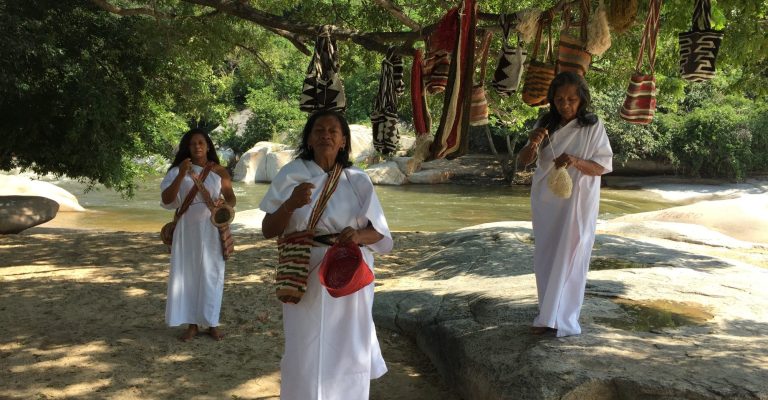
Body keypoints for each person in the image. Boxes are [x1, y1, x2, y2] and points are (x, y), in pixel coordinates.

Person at [260, 110, 393, 400]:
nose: (326, 135)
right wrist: (290, 204)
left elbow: (380, 234)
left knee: (349, 344)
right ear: (309, 139)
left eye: (333, 131)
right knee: (304, 344)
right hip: (303, 271)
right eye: (319, 130)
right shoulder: (291, 174)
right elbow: (268, 229)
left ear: (344, 140)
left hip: (349, 273)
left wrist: (358, 236)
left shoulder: (357, 180)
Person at [517, 71, 613, 337]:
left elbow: (602, 167)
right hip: (546, 200)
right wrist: (533, 143)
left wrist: (574, 161)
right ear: (552, 99)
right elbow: (524, 160)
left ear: (582, 99)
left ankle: (564, 319)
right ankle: (546, 315)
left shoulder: (592, 126)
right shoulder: (545, 122)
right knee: (547, 256)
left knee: (572, 255)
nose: (565, 105)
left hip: (577, 202)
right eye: (559, 99)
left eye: (571, 99)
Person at [160, 128, 236, 342]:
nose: (197, 146)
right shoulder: (177, 171)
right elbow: (167, 200)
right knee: (188, 275)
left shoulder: (220, 171)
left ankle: (212, 323)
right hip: (187, 229)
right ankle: (192, 325)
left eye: (201, 142)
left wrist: (224, 205)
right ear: (187, 147)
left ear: (208, 146)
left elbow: (231, 198)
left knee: (212, 274)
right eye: (193, 143)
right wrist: (181, 175)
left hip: (213, 227)